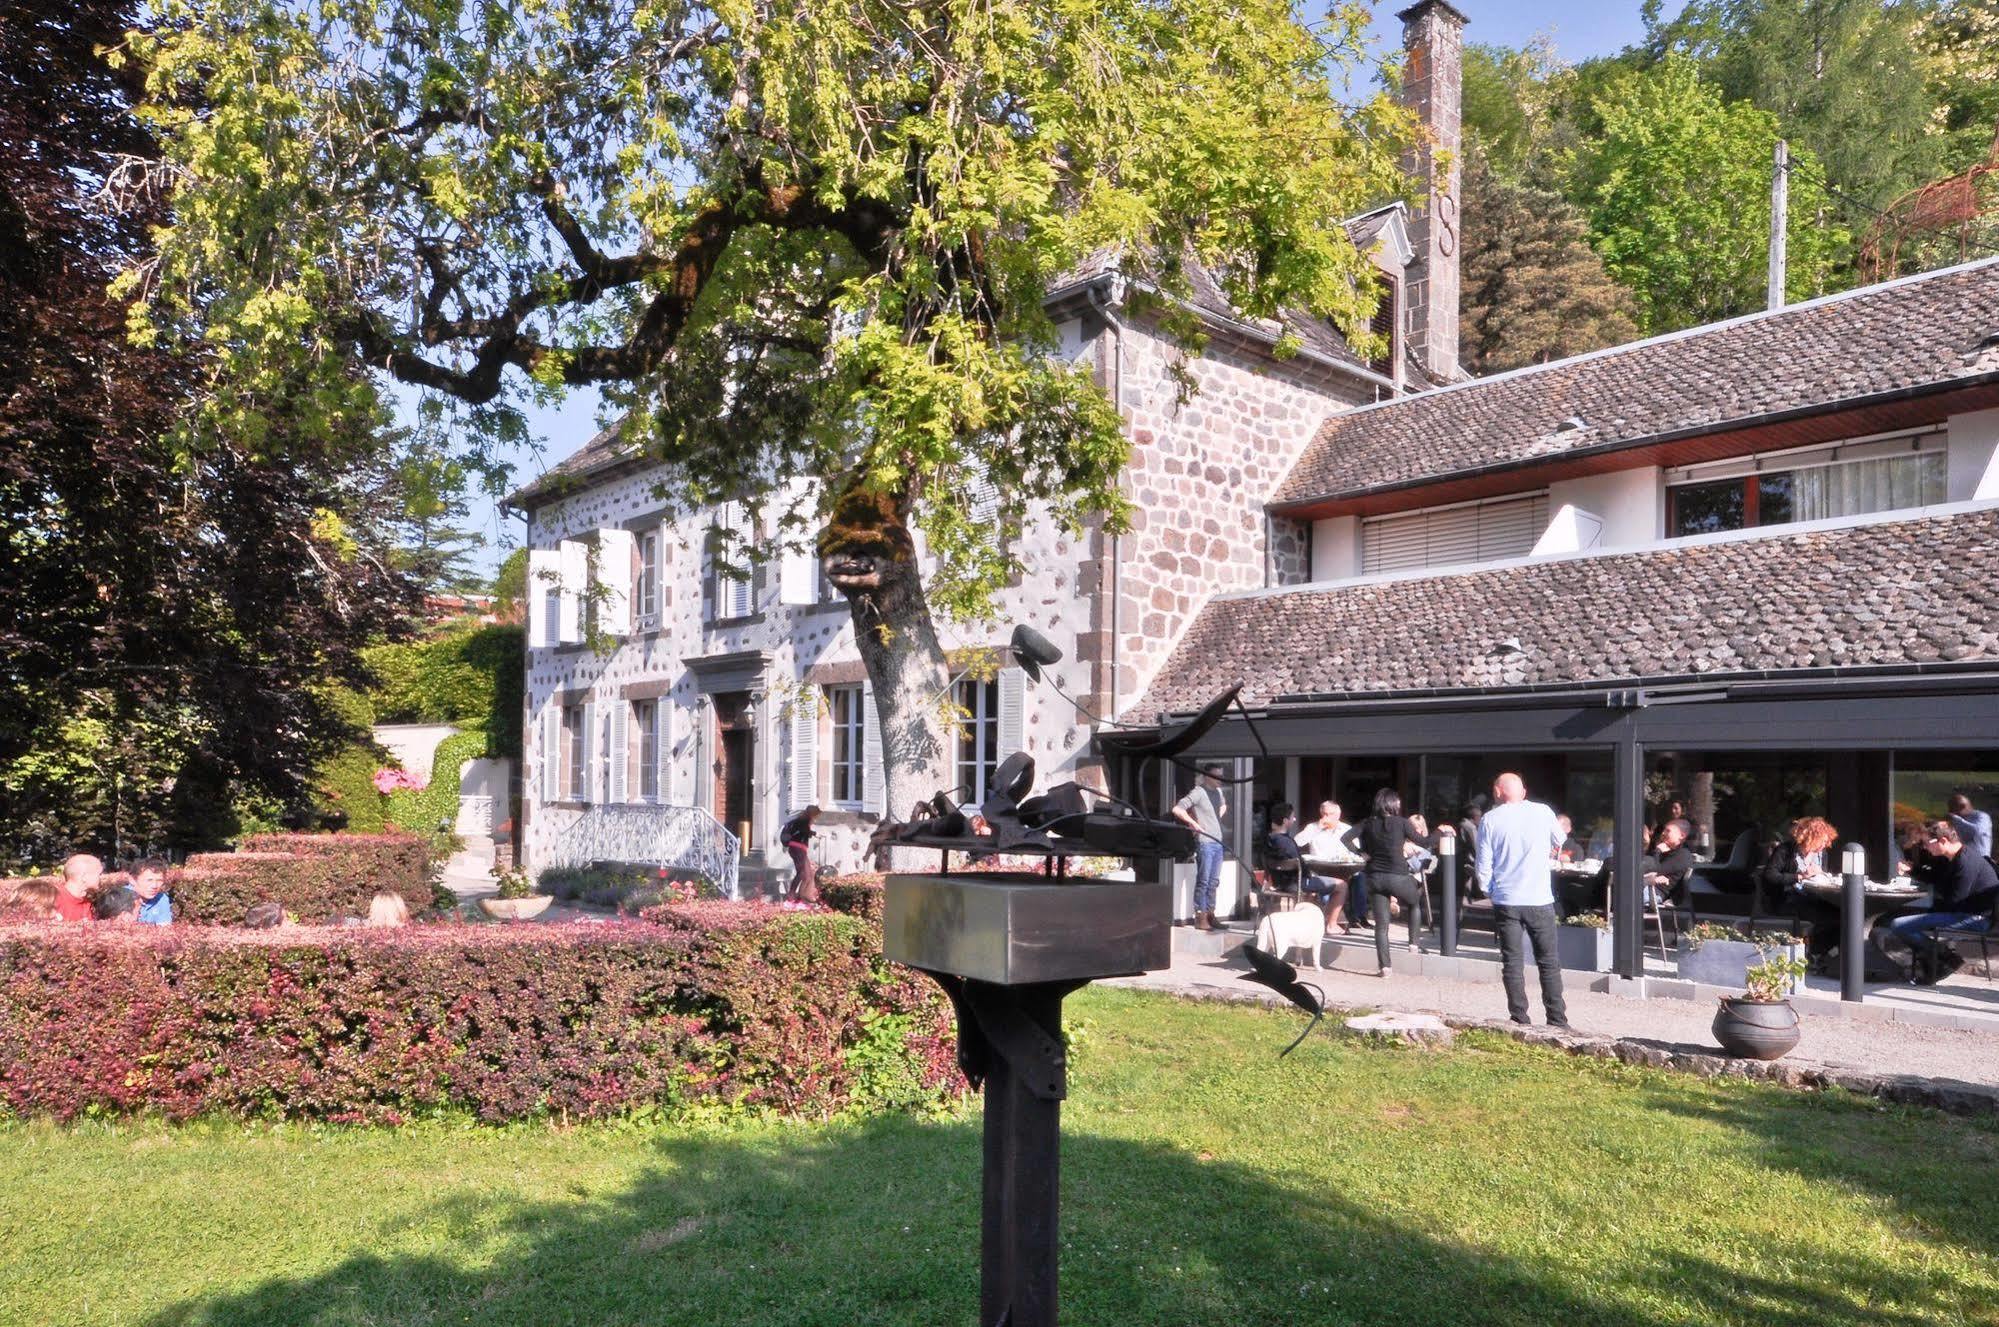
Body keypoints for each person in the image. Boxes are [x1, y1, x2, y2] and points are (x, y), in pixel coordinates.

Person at [1473, 773, 1570, 1027]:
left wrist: (1488, 889)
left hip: (1507, 897)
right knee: (1549, 961)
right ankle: (1557, 1018)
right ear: (1523, 792)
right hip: (1539, 897)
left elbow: (1484, 863)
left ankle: (1519, 1017)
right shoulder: (1543, 812)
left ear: (1497, 792)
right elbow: (1560, 839)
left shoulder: (1490, 819)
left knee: (1512, 961)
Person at [1341, 789, 1450, 977]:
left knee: (1382, 926)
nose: (1399, 805)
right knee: (1415, 902)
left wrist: (1361, 854)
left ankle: (1385, 967)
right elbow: (1424, 842)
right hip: (1398, 876)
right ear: (1392, 804)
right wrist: (1440, 830)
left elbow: (1345, 838)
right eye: (1398, 802)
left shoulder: (1367, 823)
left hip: (1374, 877)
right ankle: (1413, 944)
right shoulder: (1402, 823)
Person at [1890, 820, 1999, 983]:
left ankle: (1945, 958)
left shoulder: (1965, 863)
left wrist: (1928, 913)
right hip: (1962, 912)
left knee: (1898, 925)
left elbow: (1954, 902)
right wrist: (1912, 870)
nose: (1925, 847)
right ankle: (1942, 958)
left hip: (1975, 918)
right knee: (1899, 920)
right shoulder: (1952, 858)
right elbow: (1936, 878)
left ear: (1943, 841)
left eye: (1927, 843)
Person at [1760, 816, 1840, 959]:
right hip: (1786, 899)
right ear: (1812, 837)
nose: (1825, 845)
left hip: (1813, 896)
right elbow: (1770, 875)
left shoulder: (1821, 854)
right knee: (1828, 917)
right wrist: (1800, 876)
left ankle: (1824, 952)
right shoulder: (1786, 850)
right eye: (1823, 841)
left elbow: (1818, 876)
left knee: (1841, 913)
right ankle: (1816, 953)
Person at [1270, 801, 1350, 932]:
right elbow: (1299, 860)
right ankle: (1331, 925)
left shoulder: (1270, 839)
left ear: (1338, 815)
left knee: (1356, 879)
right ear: (1285, 821)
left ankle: (1322, 922)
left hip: (1282, 882)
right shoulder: (1292, 839)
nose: (1295, 819)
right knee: (1342, 885)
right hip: (1298, 881)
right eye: (1292, 817)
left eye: (1330, 814)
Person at [1172, 764, 1228, 931]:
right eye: (1217, 776)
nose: (1220, 779)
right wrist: (1195, 824)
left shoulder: (1218, 792)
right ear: (1206, 777)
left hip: (1218, 842)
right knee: (1203, 880)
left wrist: (1214, 817)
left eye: (1221, 775)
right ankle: (1200, 917)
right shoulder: (1198, 792)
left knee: (1214, 881)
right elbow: (1177, 809)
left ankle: (1211, 915)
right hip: (1205, 842)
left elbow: (1223, 806)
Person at [1640, 820, 1696, 908]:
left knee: (1621, 892)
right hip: (1645, 885)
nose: (1663, 833)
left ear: (1681, 835)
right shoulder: (1666, 850)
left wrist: (1657, 852)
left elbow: (1653, 870)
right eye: (1664, 830)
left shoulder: (1682, 855)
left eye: (1668, 831)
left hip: (1655, 892)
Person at [780, 804, 822, 904]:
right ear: (813, 814)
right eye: (816, 816)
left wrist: (811, 833)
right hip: (797, 848)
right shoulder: (804, 820)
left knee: (808, 873)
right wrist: (815, 834)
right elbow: (805, 831)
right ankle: (791, 895)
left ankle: (802, 897)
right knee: (802, 873)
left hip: (799, 849)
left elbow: (802, 831)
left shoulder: (802, 820)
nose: (817, 818)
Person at [54, 854, 101, 922]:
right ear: (84, 877)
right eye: (99, 874)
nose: (100, 878)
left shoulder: (88, 903)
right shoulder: (52, 898)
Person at [1948, 793, 1993, 862]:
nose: (1954, 813)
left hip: (1981, 858)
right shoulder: (1958, 820)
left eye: (1954, 810)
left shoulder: (1982, 816)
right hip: (1964, 858)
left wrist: (1957, 819)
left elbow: (1977, 832)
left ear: (1963, 807)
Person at [129, 858, 173, 926]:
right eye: (149, 880)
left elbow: (164, 930)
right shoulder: (119, 898)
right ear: (132, 880)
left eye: (159, 880)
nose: (154, 886)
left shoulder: (162, 898)